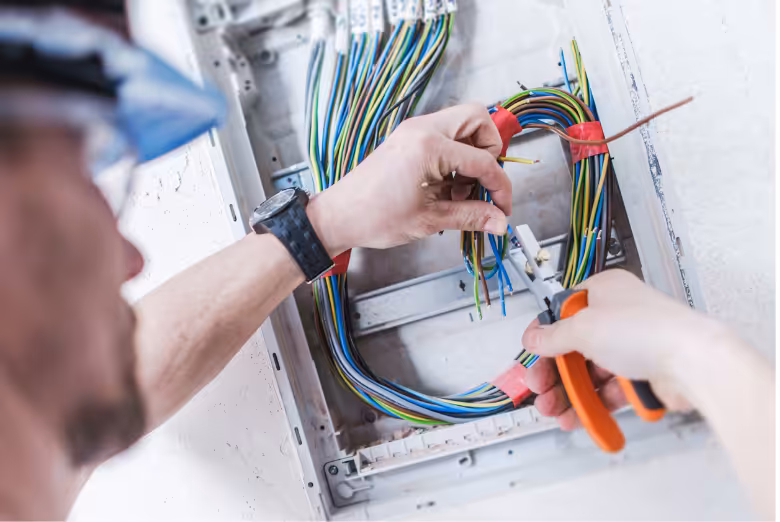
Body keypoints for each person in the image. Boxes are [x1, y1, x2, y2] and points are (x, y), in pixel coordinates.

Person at [0, 2, 773, 521]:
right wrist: (699, 354)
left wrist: (329, 220)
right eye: (81, 182)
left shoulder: (37, 433)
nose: (131, 255)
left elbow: (124, 368)